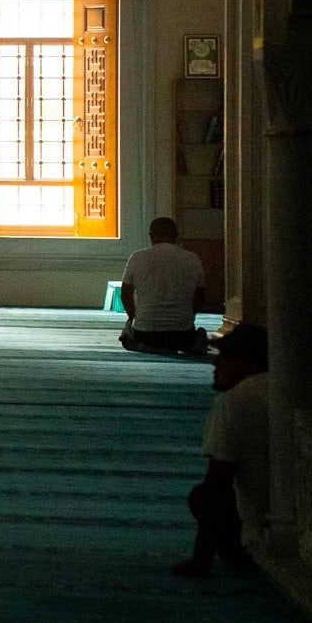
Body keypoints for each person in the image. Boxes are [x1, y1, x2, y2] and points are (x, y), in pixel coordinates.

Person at [173, 325, 270, 576]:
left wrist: (200, 559)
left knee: (201, 496)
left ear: (248, 363)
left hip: (266, 536)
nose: (215, 362)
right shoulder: (292, 391)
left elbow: (217, 486)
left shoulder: (236, 401)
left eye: (225, 357)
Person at [120, 217, 209, 355]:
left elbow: (125, 293)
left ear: (151, 236)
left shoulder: (137, 257)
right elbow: (200, 295)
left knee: (126, 332)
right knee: (200, 333)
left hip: (145, 333)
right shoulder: (193, 258)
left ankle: (144, 346)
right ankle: (189, 345)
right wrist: (189, 316)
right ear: (177, 236)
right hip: (183, 335)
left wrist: (133, 317)